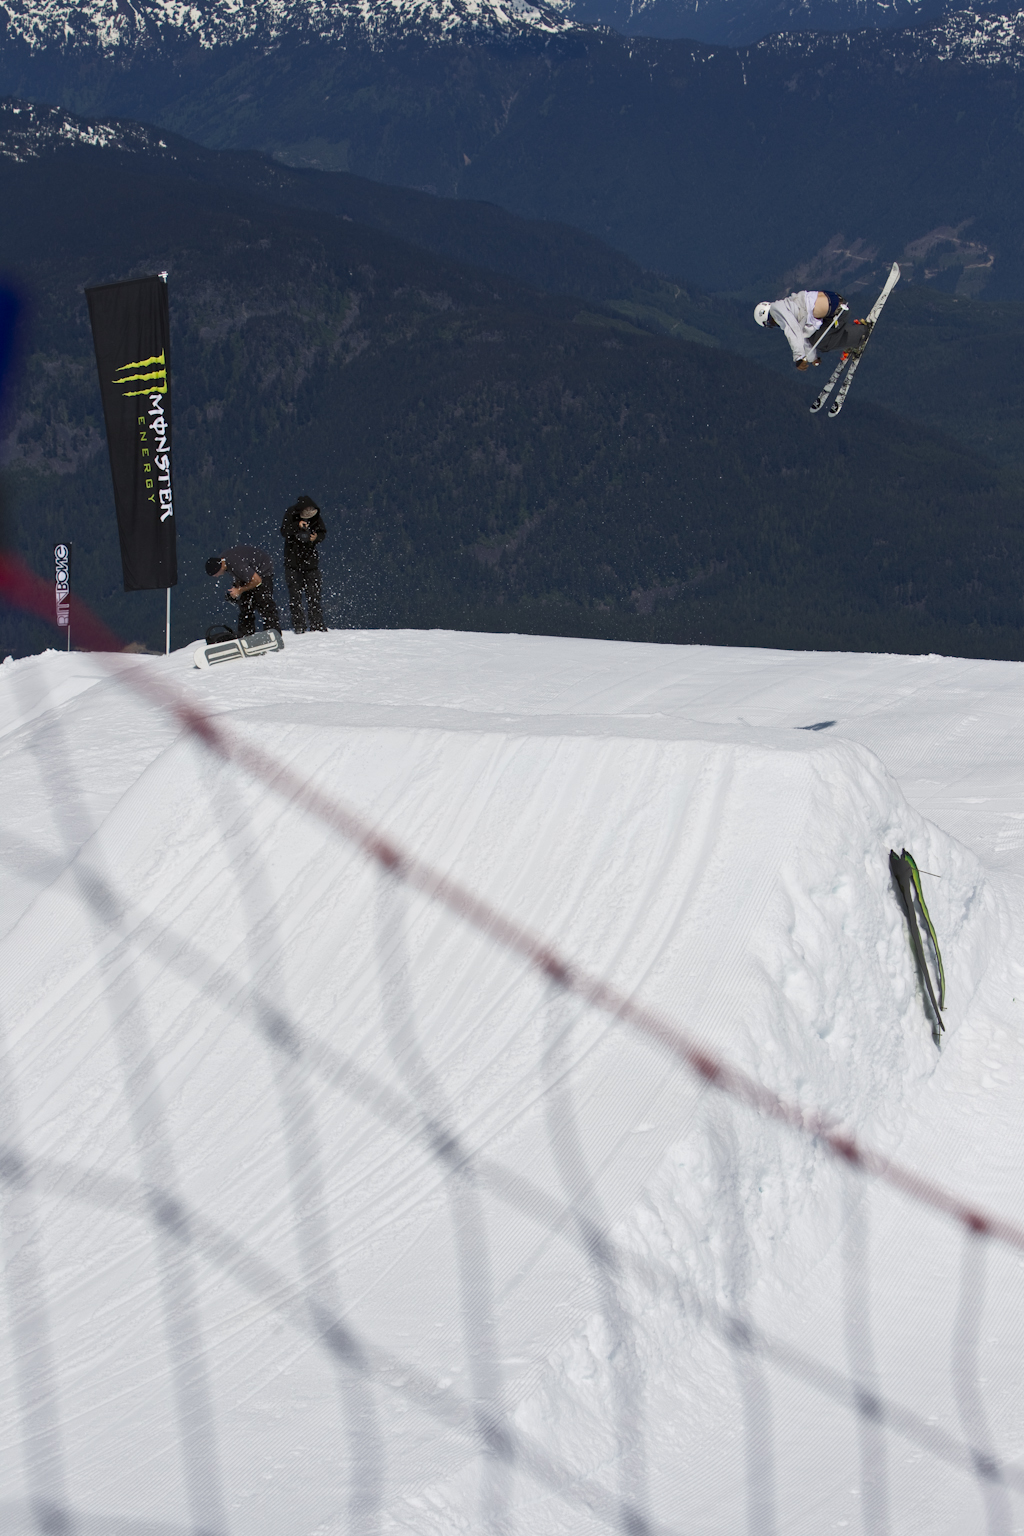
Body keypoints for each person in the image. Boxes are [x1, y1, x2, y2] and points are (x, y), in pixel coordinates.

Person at [754, 289, 871, 371]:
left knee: (825, 343)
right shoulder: (786, 306)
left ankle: (861, 334)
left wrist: (799, 358)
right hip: (836, 306)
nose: (775, 325)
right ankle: (853, 335)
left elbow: (793, 331)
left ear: (767, 320)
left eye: (771, 324)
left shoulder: (776, 311)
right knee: (816, 339)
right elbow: (804, 339)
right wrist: (812, 358)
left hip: (838, 311)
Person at [205, 545, 280, 636]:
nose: (216, 577)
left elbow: (257, 581)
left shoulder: (235, 563)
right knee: (245, 605)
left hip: (263, 571)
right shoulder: (223, 560)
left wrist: (239, 590)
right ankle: (245, 634)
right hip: (251, 571)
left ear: (218, 569)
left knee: (264, 603)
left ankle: (273, 633)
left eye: (215, 574)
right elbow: (239, 573)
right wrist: (236, 587)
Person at [280, 494, 328, 634]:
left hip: (311, 563)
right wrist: (297, 526)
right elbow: (284, 531)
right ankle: (299, 626)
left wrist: (316, 537)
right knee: (295, 597)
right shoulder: (290, 514)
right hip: (292, 563)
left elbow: (323, 532)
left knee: (314, 596)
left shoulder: (316, 517)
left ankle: (317, 625)